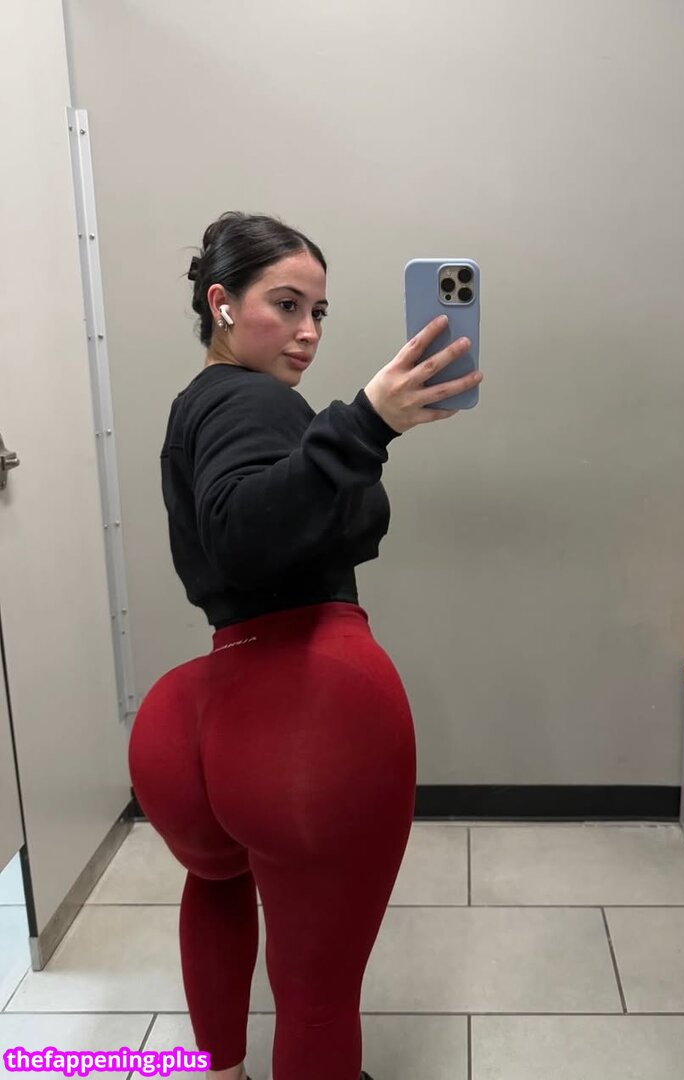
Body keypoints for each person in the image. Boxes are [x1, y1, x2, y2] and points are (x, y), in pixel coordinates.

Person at [127, 211, 483, 1080]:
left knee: (217, 887)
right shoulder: (252, 399)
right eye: (285, 305)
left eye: (318, 312)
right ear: (222, 303)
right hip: (305, 720)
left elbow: (239, 535)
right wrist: (366, 424)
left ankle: (220, 1070)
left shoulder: (197, 406)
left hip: (200, 717)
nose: (308, 332)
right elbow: (243, 535)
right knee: (318, 995)